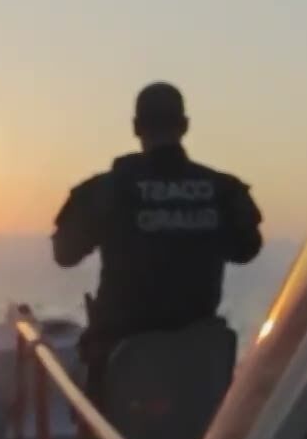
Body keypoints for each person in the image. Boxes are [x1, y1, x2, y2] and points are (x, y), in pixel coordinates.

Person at [51, 82, 263, 391]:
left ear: (137, 127)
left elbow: (64, 255)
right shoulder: (224, 191)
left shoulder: (105, 190)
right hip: (197, 367)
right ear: (185, 126)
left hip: (119, 366)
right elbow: (247, 249)